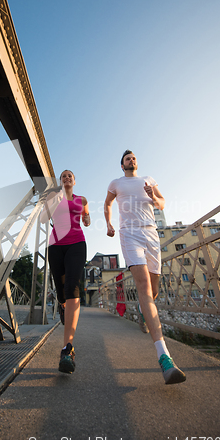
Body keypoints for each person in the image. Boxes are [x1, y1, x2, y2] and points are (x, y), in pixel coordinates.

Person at [104, 150, 186, 385]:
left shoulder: (148, 180)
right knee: (143, 287)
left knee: (153, 289)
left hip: (151, 232)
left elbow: (161, 203)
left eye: (134, 158)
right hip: (129, 234)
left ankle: (143, 309)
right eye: (128, 159)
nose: (132, 160)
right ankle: (165, 357)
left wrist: (153, 196)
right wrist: (109, 223)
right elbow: (108, 203)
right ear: (122, 166)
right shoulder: (116, 183)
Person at [40, 170, 90, 374]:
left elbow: (87, 218)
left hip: (77, 243)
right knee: (61, 291)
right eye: (64, 177)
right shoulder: (53, 197)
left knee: (72, 287)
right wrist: (54, 199)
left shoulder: (82, 199)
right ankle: (62, 305)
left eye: (70, 176)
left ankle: (67, 349)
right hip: (56, 246)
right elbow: (43, 219)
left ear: (74, 181)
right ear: (60, 182)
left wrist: (87, 219)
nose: (67, 178)